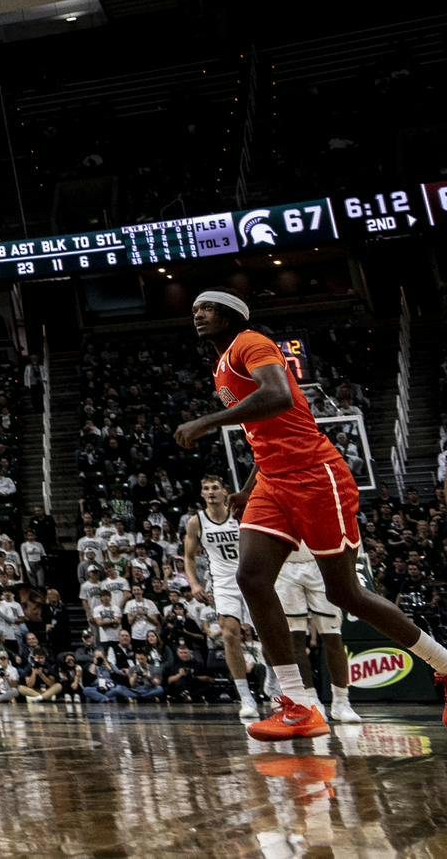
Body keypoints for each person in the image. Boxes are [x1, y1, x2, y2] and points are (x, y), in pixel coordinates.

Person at [173, 291, 447, 737]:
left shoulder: (250, 342)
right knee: (251, 578)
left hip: (316, 476)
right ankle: (299, 704)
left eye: (206, 309)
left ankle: (444, 664)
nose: (197, 315)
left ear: (230, 315)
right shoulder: (221, 364)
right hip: (273, 481)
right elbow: (264, 433)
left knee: (346, 593)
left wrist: (206, 421)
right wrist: (247, 489)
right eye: (194, 310)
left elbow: (279, 396)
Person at [180, 473, 263, 720]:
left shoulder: (239, 513)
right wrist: (194, 584)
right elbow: (188, 557)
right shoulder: (196, 522)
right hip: (223, 582)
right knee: (228, 634)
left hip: (251, 576)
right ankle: (245, 697)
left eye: (215, 487)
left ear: (225, 491)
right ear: (202, 494)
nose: (211, 492)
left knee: (267, 637)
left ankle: (273, 681)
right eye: (206, 488)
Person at [276, 545, 360, 724]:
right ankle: (310, 700)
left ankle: (341, 702)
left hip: (320, 562)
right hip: (284, 565)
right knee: (295, 639)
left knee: (333, 637)